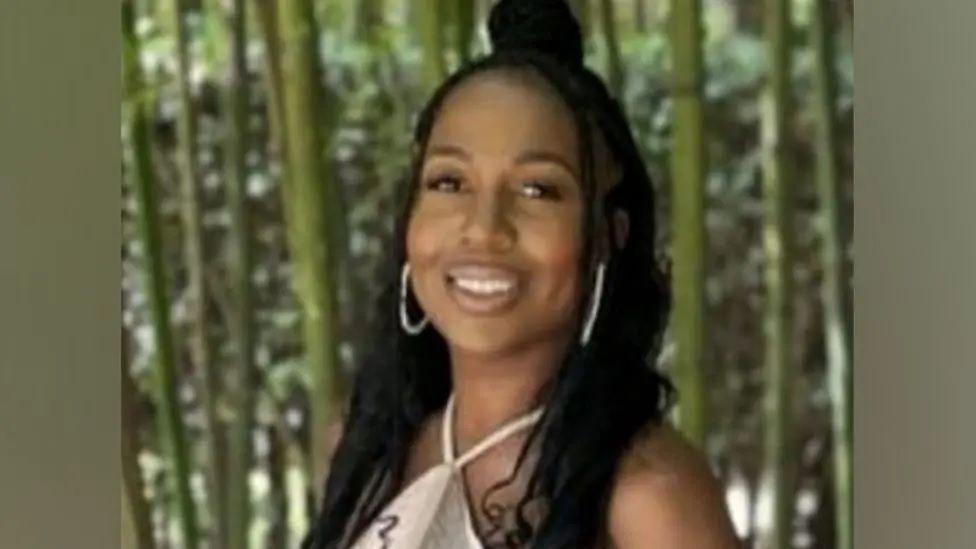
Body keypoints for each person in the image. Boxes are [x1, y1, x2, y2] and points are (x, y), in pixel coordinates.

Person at [303, 1, 738, 547]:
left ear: (608, 236)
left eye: (538, 190)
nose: (483, 230)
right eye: (449, 182)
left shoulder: (648, 496)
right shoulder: (364, 450)